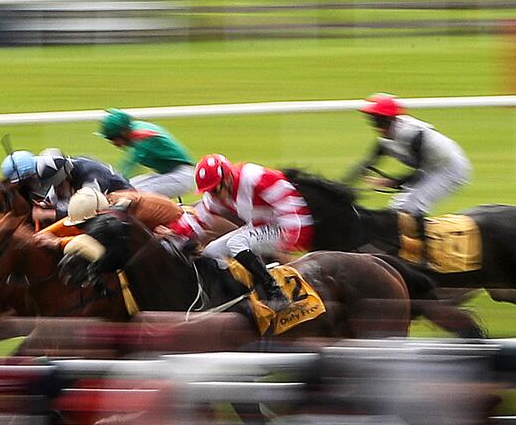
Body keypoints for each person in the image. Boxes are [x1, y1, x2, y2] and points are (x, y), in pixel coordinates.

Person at [170, 154, 314, 312]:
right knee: (211, 251)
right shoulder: (216, 195)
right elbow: (198, 218)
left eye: (215, 189)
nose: (212, 195)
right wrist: (173, 236)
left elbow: (289, 205)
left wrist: (287, 244)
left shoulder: (255, 177)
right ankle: (236, 292)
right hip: (261, 227)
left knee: (237, 242)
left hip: (291, 226)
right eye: (209, 191)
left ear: (227, 179)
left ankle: (275, 292)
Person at [344, 94, 471, 265]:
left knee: (411, 209)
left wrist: (392, 182)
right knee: (395, 210)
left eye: (379, 121)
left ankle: (426, 260)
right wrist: (342, 187)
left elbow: (420, 173)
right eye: (373, 121)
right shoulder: (386, 138)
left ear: (391, 120)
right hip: (430, 168)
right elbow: (366, 164)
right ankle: (406, 252)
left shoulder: (413, 136)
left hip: (448, 170)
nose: (377, 126)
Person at [1, 147, 132, 226]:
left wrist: (50, 214)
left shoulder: (91, 177)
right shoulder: (57, 173)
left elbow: (89, 211)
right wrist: (45, 206)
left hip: (127, 211)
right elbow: (53, 200)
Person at [37, 186, 185, 251]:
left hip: (180, 231)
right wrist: (40, 235)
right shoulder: (106, 202)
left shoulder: (118, 218)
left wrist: (57, 242)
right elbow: (73, 222)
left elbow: (92, 242)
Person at [97, 108, 195, 198]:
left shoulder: (142, 138)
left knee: (134, 194)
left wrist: (109, 184)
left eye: (112, 138)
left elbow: (129, 165)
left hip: (181, 176)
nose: (112, 143)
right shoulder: (134, 129)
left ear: (123, 133)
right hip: (171, 173)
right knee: (130, 185)